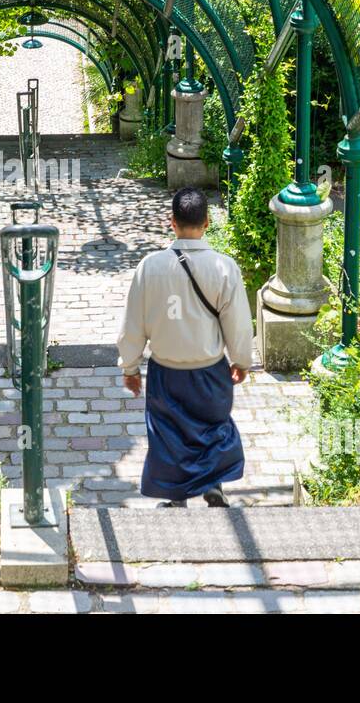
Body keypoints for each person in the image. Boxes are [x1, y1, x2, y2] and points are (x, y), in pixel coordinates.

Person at [116, 187, 252, 507]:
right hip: (210, 369)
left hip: (167, 371)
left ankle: (177, 498)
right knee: (210, 427)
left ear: (171, 222)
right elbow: (239, 322)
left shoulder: (150, 266)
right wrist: (241, 360)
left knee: (170, 435)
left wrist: (130, 367)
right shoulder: (224, 267)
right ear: (207, 222)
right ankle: (213, 485)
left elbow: (133, 324)